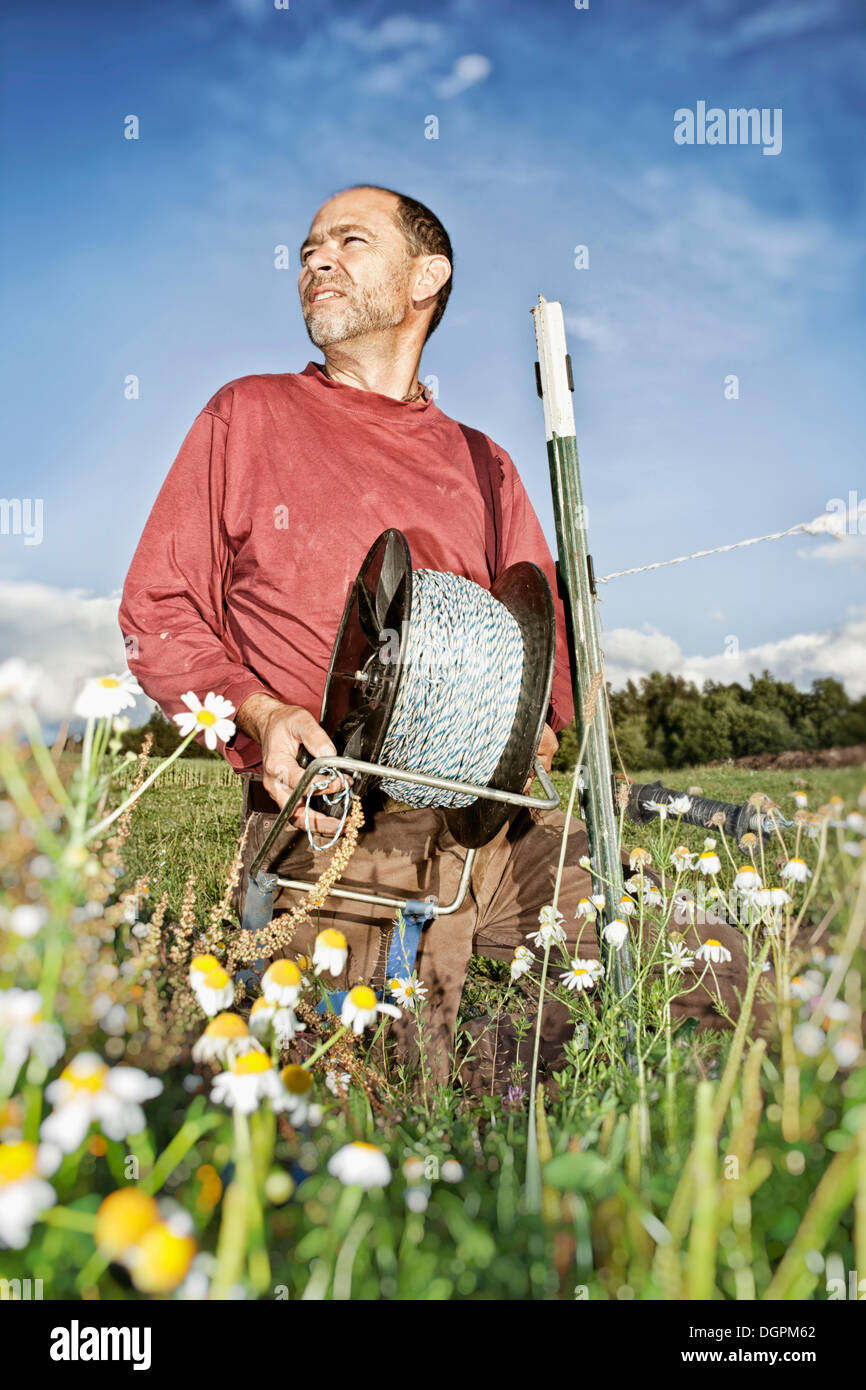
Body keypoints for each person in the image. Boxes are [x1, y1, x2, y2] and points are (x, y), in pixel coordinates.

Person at [119, 184, 762, 1085]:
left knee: (715, 976)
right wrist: (260, 716)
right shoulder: (247, 414)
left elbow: (551, 649)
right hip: (333, 828)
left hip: (491, 823)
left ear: (428, 276)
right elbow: (158, 605)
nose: (316, 261)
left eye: (349, 240)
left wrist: (534, 726)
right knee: (369, 1090)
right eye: (308, 248)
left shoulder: (485, 462)